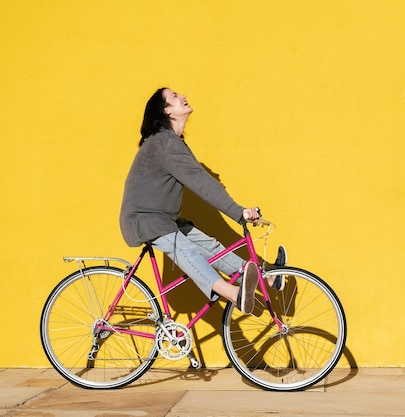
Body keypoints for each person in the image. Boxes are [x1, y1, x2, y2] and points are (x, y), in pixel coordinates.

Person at [119, 87, 285, 315]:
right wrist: (239, 212)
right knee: (187, 250)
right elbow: (202, 183)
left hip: (165, 221)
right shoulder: (164, 144)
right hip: (145, 221)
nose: (183, 96)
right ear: (166, 111)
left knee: (211, 246)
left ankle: (267, 277)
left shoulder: (174, 143)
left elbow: (200, 180)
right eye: (175, 97)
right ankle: (233, 294)